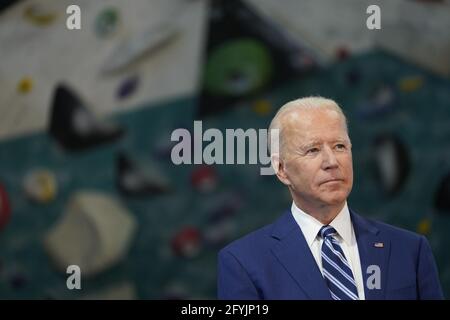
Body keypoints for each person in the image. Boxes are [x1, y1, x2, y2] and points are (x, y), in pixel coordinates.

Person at [217, 97, 443, 300]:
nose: (332, 161)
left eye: (339, 146)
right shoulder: (243, 263)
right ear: (281, 169)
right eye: (313, 150)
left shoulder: (410, 250)